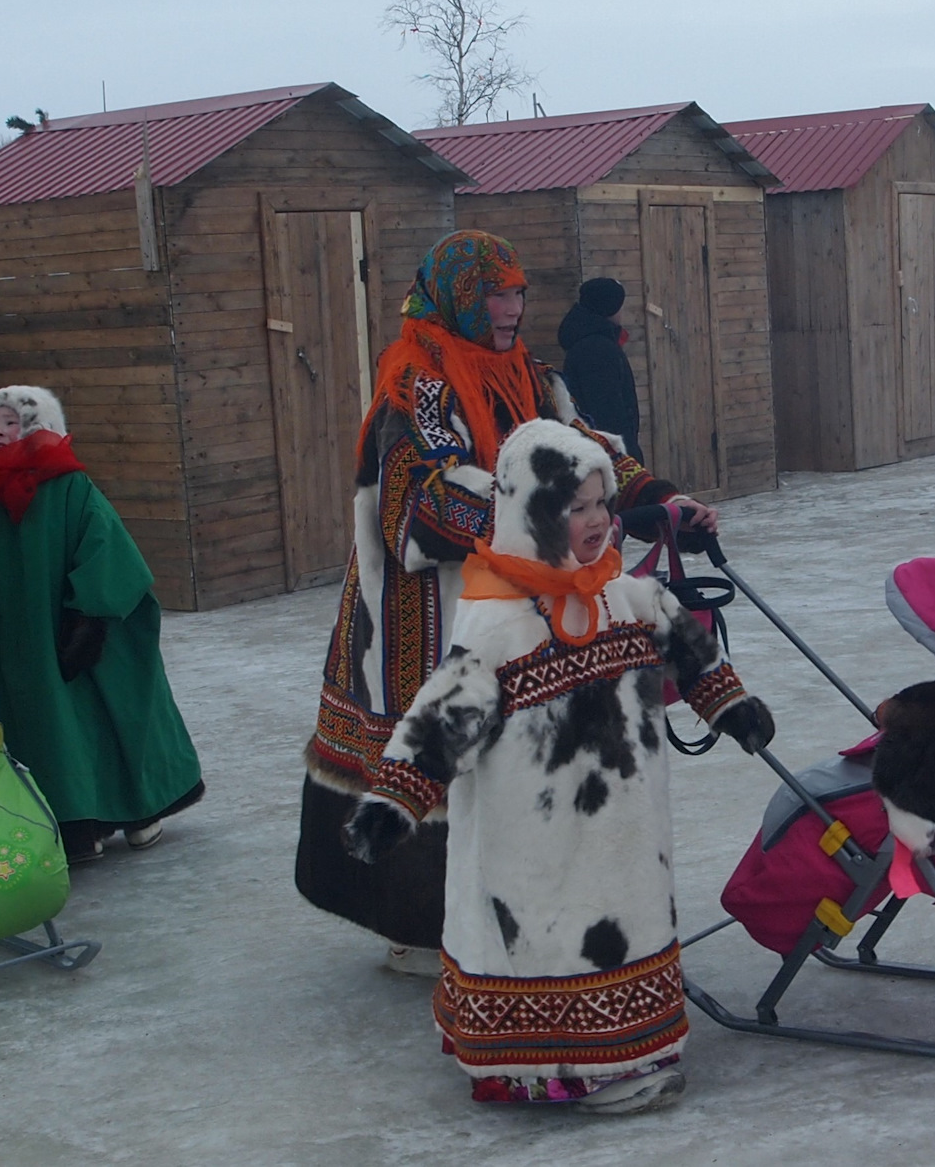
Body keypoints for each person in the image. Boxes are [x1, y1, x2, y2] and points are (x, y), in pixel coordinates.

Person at [293, 230, 718, 972]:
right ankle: (419, 923)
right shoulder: (415, 385)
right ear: (458, 296)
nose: (511, 307)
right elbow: (419, 501)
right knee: (432, 740)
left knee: (519, 755)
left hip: (520, 597)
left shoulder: (532, 377)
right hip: (425, 609)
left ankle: (511, 910)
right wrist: (544, 512)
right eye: (494, 292)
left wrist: (657, 496)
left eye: (517, 291)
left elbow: (588, 449)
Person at [343, 420, 774, 1112]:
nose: (599, 521)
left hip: (627, 830)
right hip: (535, 842)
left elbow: (683, 640)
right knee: (550, 933)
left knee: (623, 920)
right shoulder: (498, 623)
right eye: (578, 508)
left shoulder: (624, 596)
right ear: (536, 513)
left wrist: (727, 701)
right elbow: (442, 717)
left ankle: (632, 1049)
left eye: (603, 504)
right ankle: (559, 1064)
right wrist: (393, 800)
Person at [0, 386, 204, 862]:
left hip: (75, 631)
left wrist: (90, 616)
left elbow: (106, 546)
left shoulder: (70, 486)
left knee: (104, 717)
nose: (0, 432)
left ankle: (139, 808)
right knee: (45, 733)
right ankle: (72, 821)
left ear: (36, 428)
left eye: (12, 423)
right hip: (16, 641)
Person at [556, 278, 642, 462]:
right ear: (609, 308)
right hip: (608, 456)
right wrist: (628, 457)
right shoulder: (597, 351)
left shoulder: (591, 342)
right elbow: (608, 411)